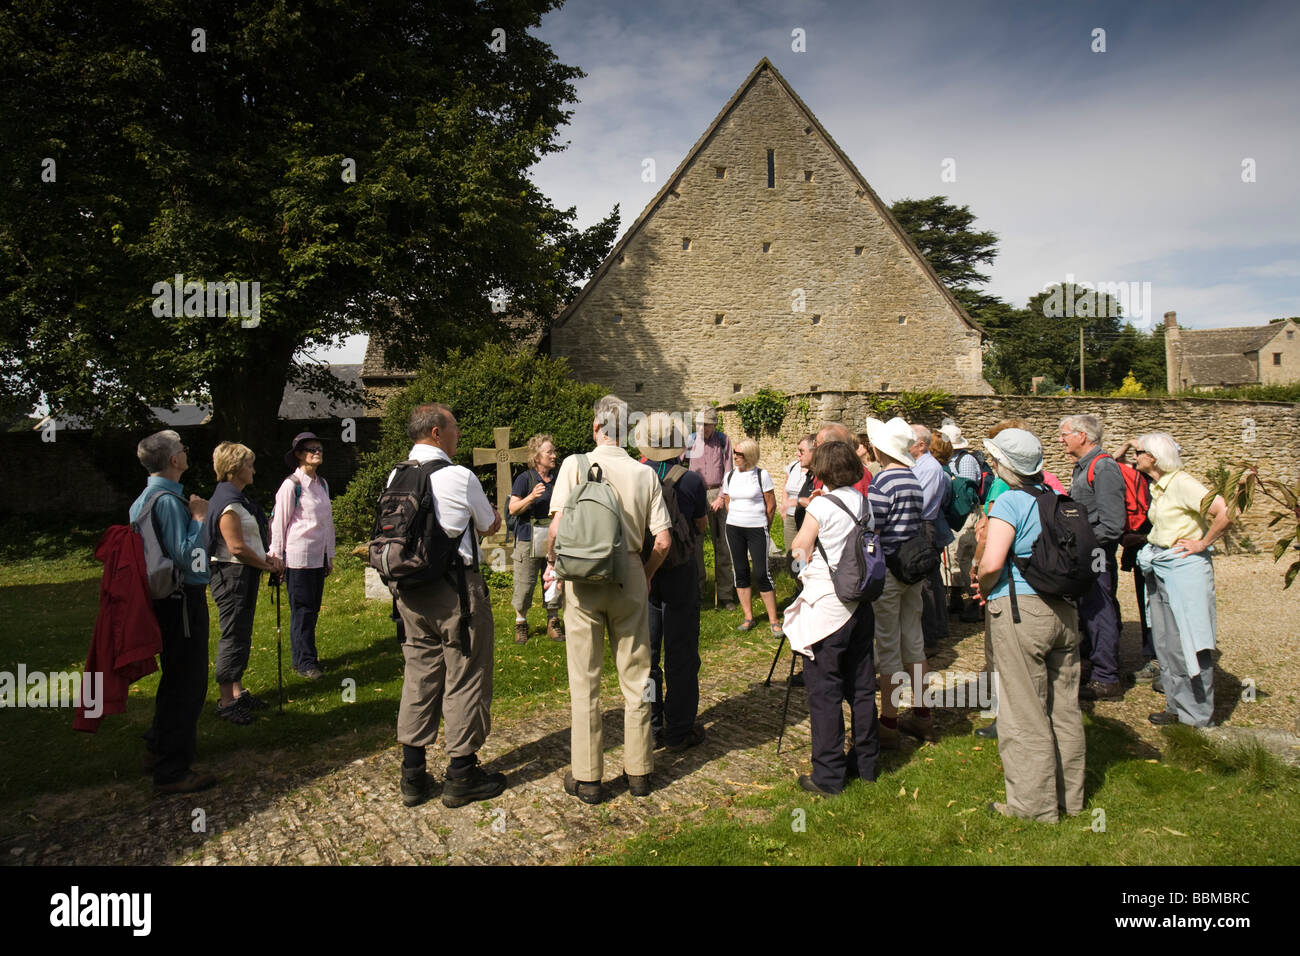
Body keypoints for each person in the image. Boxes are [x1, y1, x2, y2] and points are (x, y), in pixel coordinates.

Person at [545, 395, 672, 804]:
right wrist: (647, 574)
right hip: (630, 574)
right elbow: (664, 540)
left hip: (582, 579)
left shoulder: (572, 465)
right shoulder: (644, 472)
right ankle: (639, 772)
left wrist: (555, 567)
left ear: (596, 428)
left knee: (585, 680)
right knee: (638, 677)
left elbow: (555, 531)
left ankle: (588, 778)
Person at [390, 402, 507, 808]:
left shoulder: (398, 474)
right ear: (437, 433)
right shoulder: (459, 475)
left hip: (409, 591)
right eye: (454, 428)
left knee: (419, 675)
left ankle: (413, 775)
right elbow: (488, 522)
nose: (459, 433)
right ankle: (461, 774)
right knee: (466, 673)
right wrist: (489, 519)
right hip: (456, 589)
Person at [972, 428, 1085, 823]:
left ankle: (1033, 808)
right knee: (1064, 710)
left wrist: (985, 588)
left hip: (1022, 611)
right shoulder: (1059, 501)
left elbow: (991, 562)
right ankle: (1069, 798)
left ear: (1005, 465)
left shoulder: (1011, 502)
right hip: (1065, 614)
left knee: (1024, 711)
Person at [783, 440, 879, 795]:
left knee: (824, 692)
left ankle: (828, 775)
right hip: (860, 603)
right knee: (862, 688)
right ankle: (867, 763)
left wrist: (799, 572)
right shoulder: (864, 501)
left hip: (828, 605)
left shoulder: (822, 505)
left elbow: (800, 548)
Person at [130, 431, 215, 793]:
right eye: (182, 449)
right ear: (173, 460)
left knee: (175, 678)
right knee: (188, 684)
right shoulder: (167, 501)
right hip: (180, 600)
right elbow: (187, 556)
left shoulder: (145, 498)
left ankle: (157, 746)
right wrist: (198, 518)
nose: (185, 453)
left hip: (163, 600)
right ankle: (173, 771)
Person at [1134, 433, 1232, 728]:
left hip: (1184, 571)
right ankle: (1176, 707)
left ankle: (1197, 718)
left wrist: (1202, 543)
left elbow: (1226, 511)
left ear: (1152, 457)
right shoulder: (1159, 487)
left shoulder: (1182, 483)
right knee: (1166, 642)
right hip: (1161, 566)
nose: (1134, 456)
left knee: (1190, 641)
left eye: (1138, 452)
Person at [636, 413, 709, 752]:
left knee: (647, 657)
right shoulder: (692, 481)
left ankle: (651, 725)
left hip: (645, 571)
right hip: (680, 572)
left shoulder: (637, 476)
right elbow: (700, 526)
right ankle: (679, 728)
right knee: (681, 655)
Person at [206, 441, 282, 726]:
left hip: (244, 572)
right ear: (235, 469)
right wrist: (265, 564)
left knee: (242, 633)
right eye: (248, 465)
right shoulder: (228, 505)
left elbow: (247, 543)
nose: (253, 469)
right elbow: (236, 547)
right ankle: (226, 701)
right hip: (232, 575)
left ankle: (236, 691)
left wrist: (267, 561)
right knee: (233, 635)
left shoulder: (237, 500)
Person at [866, 416, 930, 746]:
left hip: (890, 570)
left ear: (880, 450)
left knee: (889, 646)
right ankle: (922, 715)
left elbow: (873, 530)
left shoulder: (882, 484)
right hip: (913, 569)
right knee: (914, 640)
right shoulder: (912, 479)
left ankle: (888, 723)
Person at [1058, 414, 1126, 701]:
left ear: (1081, 436)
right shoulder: (1085, 467)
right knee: (1089, 607)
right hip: (1087, 551)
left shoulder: (1104, 468)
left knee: (1099, 607)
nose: (1060, 440)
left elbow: (1113, 524)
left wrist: (1084, 544)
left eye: (1064, 435)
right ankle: (1095, 662)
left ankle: (1106, 677)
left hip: (1096, 552)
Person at [269, 432, 335, 681]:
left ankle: (305, 657)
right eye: (311, 449)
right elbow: (279, 522)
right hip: (298, 558)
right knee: (302, 611)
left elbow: (326, 522)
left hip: (318, 558)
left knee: (312, 610)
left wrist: (330, 555)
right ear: (298, 455)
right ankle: (305, 662)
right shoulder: (291, 485)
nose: (317, 452)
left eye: (319, 448)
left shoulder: (323, 484)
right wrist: (276, 558)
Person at [506, 433, 563, 645]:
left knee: (554, 581)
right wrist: (531, 497)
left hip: (553, 539)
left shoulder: (559, 478)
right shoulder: (525, 479)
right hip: (527, 539)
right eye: (549, 452)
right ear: (537, 457)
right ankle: (521, 623)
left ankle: (553, 622)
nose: (554, 455)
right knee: (525, 583)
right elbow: (512, 509)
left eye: (554, 451)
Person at [723, 438, 780, 635]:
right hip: (734, 528)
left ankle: (773, 620)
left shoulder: (762, 475)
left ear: (749, 456)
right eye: (735, 453)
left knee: (761, 572)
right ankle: (749, 617)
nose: (735, 456)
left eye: (739, 454)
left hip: (757, 528)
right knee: (740, 570)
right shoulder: (729, 476)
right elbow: (728, 501)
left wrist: (765, 525)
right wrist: (737, 517)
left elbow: (770, 505)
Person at [1112, 439, 1158, 685]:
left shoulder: (1170, 485)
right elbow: (1111, 462)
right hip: (1144, 553)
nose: (1135, 457)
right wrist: (1130, 444)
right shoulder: (1138, 478)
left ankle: (1160, 661)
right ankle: (1153, 657)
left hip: (1162, 553)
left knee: (1158, 606)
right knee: (1147, 603)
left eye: (1140, 453)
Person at [682, 407, 736, 609]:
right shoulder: (690, 441)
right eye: (699, 424)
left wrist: (722, 497)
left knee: (722, 546)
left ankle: (725, 594)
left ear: (715, 424)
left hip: (717, 494)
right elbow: (679, 465)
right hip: (695, 495)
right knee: (695, 547)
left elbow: (729, 472)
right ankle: (696, 591)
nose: (702, 428)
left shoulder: (723, 441)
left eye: (706, 424)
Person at [910, 424, 953, 655]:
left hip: (922, 526)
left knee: (924, 583)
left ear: (921, 444)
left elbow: (921, 504)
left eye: (910, 439)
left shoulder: (928, 468)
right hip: (922, 525)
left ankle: (929, 638)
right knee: (929, 580)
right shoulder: (922, 465)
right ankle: (935, 629)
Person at [940, 422, 982, 623]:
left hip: (965, 515)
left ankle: (974, 602)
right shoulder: (951, 460)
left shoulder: (965, 460)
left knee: (965, 557)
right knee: (954, 556)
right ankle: (956, 597)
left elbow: (965, 494)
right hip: (956, 514)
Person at [782, 435, 813, 564]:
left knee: (806, 555)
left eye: (801, 451)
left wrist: (798, 501)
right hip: (790, 516)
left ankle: (804, 582)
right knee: (792, 555)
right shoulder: (793, 466)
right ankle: (796, 580)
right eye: (797, 450)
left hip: (806, 517)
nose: (797, 454)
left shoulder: (815, 472)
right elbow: (785, 486)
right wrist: (784, 506)